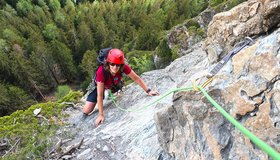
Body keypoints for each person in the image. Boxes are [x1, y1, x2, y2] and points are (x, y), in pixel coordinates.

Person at [82, 48, 160, 127]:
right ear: (108, 63)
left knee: (113, 86)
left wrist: (148, 91)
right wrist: (101, 114)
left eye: (118, 65)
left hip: (113, 84)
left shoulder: (124, 67)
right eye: (112, 64)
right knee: (86, 110)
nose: (115, 67)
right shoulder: (101, 71)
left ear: (121, 64)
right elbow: (100, 95)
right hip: (99, 87)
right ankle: (105, 94)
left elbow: (136, 78)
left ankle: (112, 91)